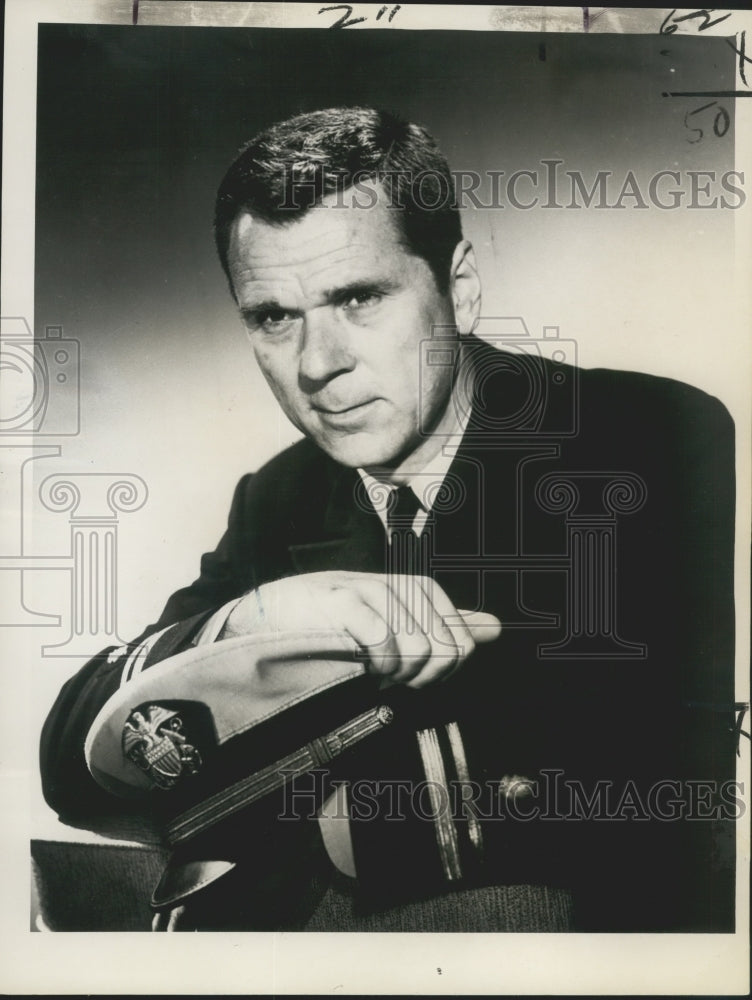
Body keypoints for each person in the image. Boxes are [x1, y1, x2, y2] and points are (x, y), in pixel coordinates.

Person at [40, 107, 737, 933]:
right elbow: (87, 763)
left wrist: (273, 760)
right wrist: (256, 619)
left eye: (359, 297)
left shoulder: (647, 439)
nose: (317, 364)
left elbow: (671, 787)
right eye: (274, 316)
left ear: (460, 289)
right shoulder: (279, 499)